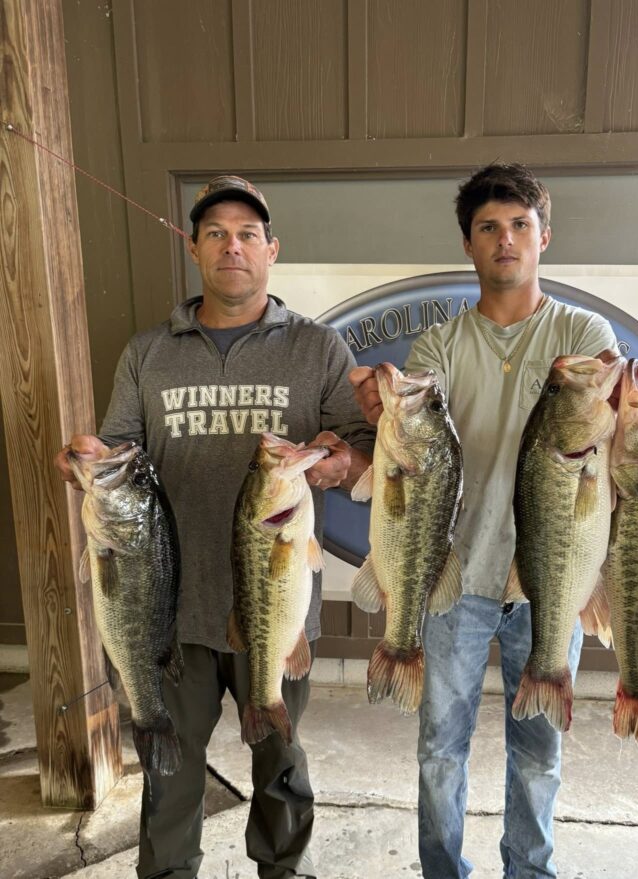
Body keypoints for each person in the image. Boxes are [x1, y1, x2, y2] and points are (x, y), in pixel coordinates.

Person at [55, 175, 374, 879]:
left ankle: (284, 872)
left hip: (279, 607)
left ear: (272, 250)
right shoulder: (147, 353)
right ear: (193, 248)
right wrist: (89, 461)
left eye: (248, 234)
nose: (233, 246)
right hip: (169, 610)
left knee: (282, 765)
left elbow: (362, 453)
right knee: (170, 777)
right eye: (216, 234)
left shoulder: (317, 348)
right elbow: (119, 449)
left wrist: (340, 459)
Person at [350, 163, 618, 878]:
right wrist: (383, 416)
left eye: (520, 225)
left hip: (549, 577)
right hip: (454, 574)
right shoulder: (438, 346)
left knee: (539, 752)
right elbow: (418, 440)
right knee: (440, 745)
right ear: (468, 243)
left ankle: (529, 871)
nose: (506, 239)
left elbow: (609, 438)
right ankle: (443, 870)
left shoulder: (582, 332)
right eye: (489, 228)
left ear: (545, 236)